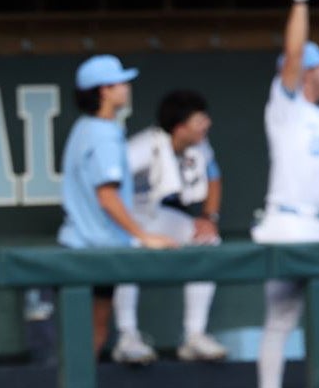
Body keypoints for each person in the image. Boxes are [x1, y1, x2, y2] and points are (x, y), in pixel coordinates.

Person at [252, 0, 319, 388]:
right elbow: (292, 52)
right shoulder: (286, 106)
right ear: (307, 73)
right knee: (280, 322)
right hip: (287, 226)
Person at [58, 54, 177, 357]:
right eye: (119, 83)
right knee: (90, 334)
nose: (126, 87)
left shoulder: (86, 127)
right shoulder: (102, 134)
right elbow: (107, 197)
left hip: (80, 246)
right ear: (103, 91)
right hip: (95, 250)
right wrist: (142, 236)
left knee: (84, 333)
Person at [111, 90, 228, 364]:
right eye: (199, 120)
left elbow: (214, 176)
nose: (207, 124)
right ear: (179, 127)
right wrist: (133, 231)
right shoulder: (142, 148)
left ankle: (194, 336)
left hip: (156, 213)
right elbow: (108, 189)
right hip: (127, 215)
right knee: (128, 249)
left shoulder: (200, 145)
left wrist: (209, 218)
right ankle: (127, 336)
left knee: (207, 242)